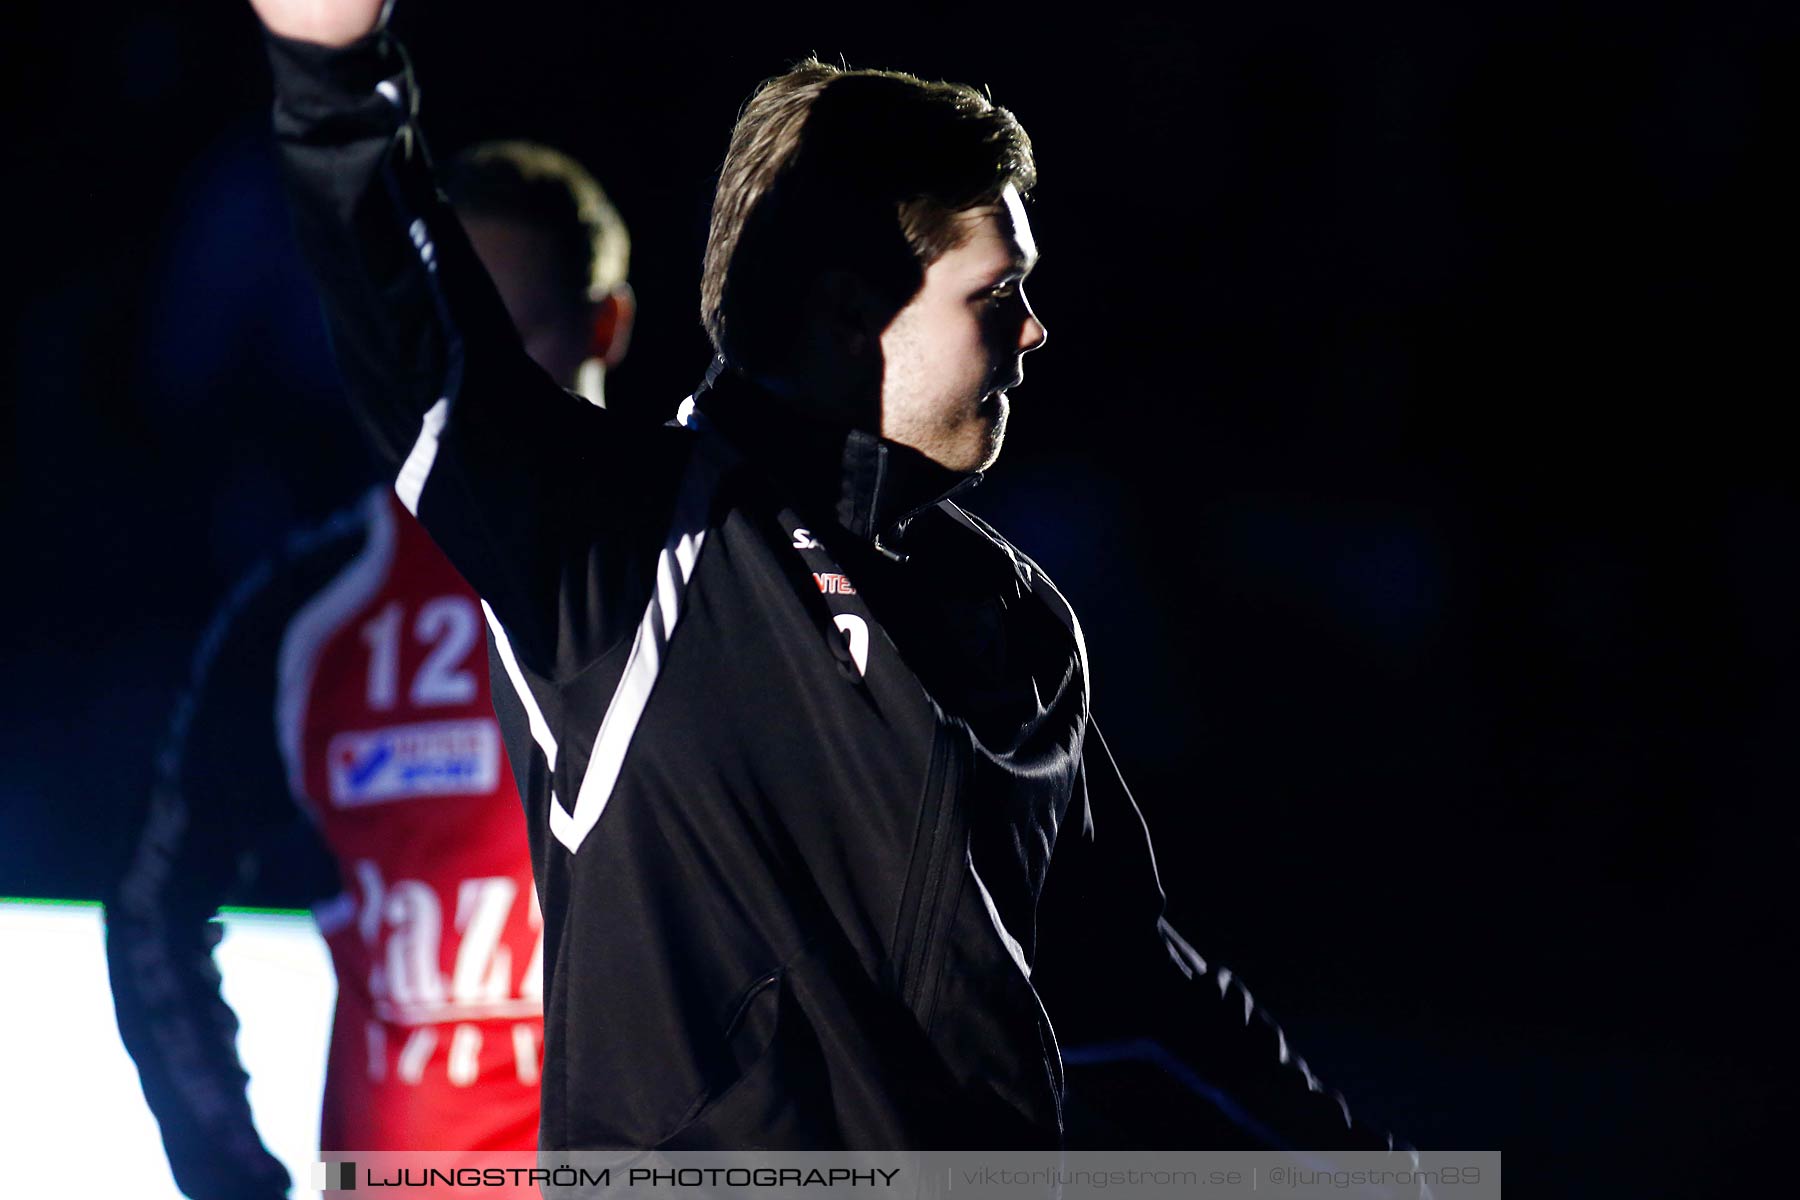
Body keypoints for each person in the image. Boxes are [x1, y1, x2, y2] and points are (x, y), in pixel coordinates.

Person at [246, 0, 1418, 1157]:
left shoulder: (1020, 623)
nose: (1035, 333)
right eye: (996, 294)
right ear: (853, 309)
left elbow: (1141, 997)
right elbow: (416, 336)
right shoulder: (626, 535)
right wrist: (331, 66)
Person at [105, 140, 634, 1198]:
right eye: (443, 343)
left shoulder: (711, 580)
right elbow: (154, 908)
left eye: (511, 337)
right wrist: (228, 1175)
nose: (474, 388)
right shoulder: (307, 614)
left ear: (605, 326)